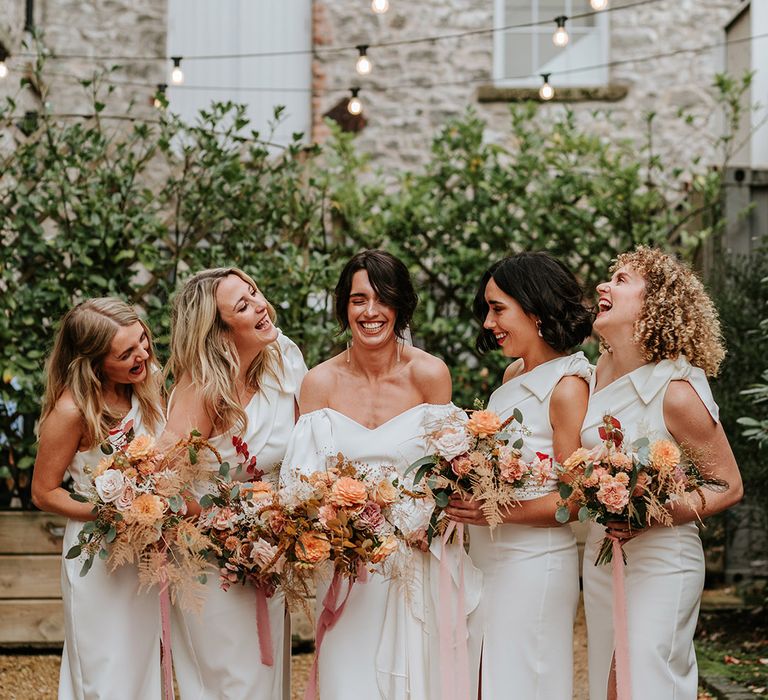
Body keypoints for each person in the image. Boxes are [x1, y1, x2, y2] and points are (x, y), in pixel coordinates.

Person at [280, 249, 480, 700]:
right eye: (357, 300)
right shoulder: (319, 384)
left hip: (417, 561)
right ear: (343, 308)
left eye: (382, 298)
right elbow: (301, 486)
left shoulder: (429, 375)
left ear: (401, 306)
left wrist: (416, 519)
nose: (370, 312)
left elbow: (451, 474)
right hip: (350, 568)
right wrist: (337, 524)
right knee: (347, 681)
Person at [582, 246, 743, 699]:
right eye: (609, 275)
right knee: (609, 684)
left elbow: (728, 486)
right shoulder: (596, 373)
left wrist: (651, 512)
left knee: (645, 680)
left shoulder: (675, 390)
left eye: (621, 279)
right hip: (603, 555)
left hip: (662, 560)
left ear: (654, 304)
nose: (603, 285)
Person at [446, 252, 593, 699]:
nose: (490, 323)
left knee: (526, 678)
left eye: (498, 308)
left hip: (536, 562)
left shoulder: (568, 388)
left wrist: (495, 510)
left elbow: (575, 500)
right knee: (487, 678)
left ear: (535, 307)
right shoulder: (513, 374)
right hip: (489, 557)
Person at [162, 267, 306, 700]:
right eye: (242, 306)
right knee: (233, 685)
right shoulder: (201, 392)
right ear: (219, 331)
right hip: (210, 561)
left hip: (268, 551)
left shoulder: (283, 356)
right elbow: (163, 486)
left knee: (265, 681)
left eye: (255, 293)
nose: (261, 306)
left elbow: (310, 441)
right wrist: (232, 516)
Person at [31, 298, 165, 700]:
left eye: (142, 340)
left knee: (142, 667)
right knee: (104, 670)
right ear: (92, 362)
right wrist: (110, 512)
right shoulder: (72, 411)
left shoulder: (148, 381)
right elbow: (43, 492)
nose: (142, 354)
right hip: (97, 553)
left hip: (142, 554)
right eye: (126, 354)